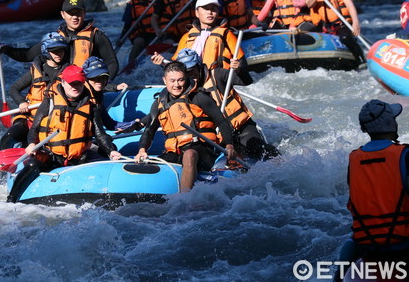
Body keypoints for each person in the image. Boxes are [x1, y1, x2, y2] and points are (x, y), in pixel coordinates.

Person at [347, 100, 409, 263]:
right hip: (407, 246)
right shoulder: (405, 155)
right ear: (388, 122)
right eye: (394, 119)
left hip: (368, 247)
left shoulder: (354, 159)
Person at [7, 65, 122, 202]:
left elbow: (100, 134)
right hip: (52, 154)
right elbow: (34, 129)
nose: (75, 87)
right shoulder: (50, 102)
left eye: (78, 83)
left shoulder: (91, 105)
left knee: (105, 159)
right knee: (32, 165)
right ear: (63, 82)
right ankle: (11, 200)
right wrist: (31, 143)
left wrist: (110, 151)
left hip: (78, 156)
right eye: (71, 83)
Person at [135, 61, 240, 192]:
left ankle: (185, 199)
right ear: (164, 80)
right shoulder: (159, 104)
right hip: (175, 151)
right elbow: (149, 130)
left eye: (180, 80)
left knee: (190, 154)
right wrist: (142, 150)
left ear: (186, 78)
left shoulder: (199, 97)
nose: (176, 85)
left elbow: (222, 121)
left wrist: (229, 145)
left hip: (203, 150)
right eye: (172, 81)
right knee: (152, 164)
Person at [176, 48, 278, 160]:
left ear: (199, 65)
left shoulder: (218, 74)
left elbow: (246, 81)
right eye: (187, 73)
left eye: (192, 70)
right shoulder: (188, 91)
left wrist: (239, 70)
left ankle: (277, 159)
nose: (191, 75)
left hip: (241, 127)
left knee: (257, 149)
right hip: (222, 135)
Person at [0, 0, 119, 79]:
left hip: (85, 87)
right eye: (70, 13)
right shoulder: (55, 38)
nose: (74, 17)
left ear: (84, 14)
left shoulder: (97, 36)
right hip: (61, 88)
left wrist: (104, 82)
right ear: (62, 15)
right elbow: (27, 55)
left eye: (78, 13)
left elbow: (112, 63)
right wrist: (6, 49)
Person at [0, 32, 69, 152]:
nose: (58, 54)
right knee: (7, 137)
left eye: (61, 50)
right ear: (46, 51)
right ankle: (2, 166)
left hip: (55, 120)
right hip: (31, 118)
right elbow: (14, 89)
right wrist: (21, 102)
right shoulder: (36, 70)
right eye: (54, 50)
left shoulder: (68, 71)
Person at [162, 0, 246, 71]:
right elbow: (176, 67)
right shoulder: (187, 37)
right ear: (197, 13)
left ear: (217, 12)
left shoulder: (227, 35)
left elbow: (243, 63)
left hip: (218, 82)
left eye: (213, 9)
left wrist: (237, 67)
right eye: (206, 9)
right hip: (193, 81)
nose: (209, 12)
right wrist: (162, 62)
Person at [82, 56, 140, 135]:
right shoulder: (79, 97)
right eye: (94, 78)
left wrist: (131, 124)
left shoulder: (98, 96)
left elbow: (109, 124)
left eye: (103, 77)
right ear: (86, 79)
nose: (100, 81)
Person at [118, 0, 156, 64]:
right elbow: (127, 25)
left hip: (155, 33)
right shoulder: (131, 5)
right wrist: (121, 38)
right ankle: (131, 65)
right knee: (139, 41)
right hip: (140, 34)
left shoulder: (156, 1)